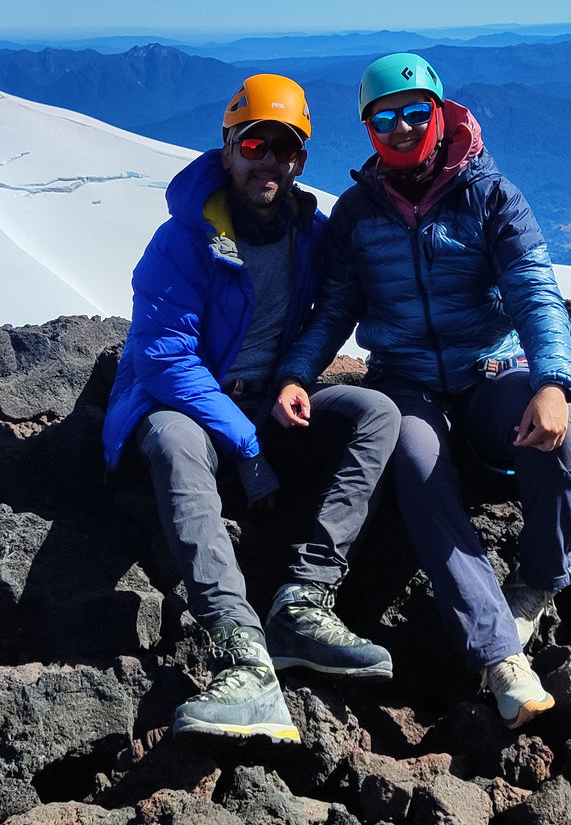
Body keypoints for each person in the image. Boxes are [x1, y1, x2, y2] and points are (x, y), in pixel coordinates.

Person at [274, 53, 571, 730]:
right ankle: (500, 657)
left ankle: (539, 579)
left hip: (493, 368)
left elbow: (535, 290)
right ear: (368, 127)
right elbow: (335, 308)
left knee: (556, 436)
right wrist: (297, 374)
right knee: (416, 466)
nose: (405, 126)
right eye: (386, 116)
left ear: (441, 113)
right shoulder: (357, 212)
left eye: (418, 112)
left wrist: (554, 381)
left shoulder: (490, 194)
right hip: (406, 380)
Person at [102, 73, 401, 743]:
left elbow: (333, 312)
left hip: (268, 401)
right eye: (257, 143)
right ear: (229, 147)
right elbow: (165, 360)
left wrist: (297, 377)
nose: (271, 160)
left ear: (301, 160)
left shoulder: (311, 234)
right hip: (185, 405)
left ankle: (301, 606)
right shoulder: (181, 241)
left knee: (377, 414)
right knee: (175, 442)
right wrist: (247, 446)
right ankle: (240, 656)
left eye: (287, 148)